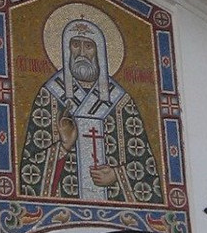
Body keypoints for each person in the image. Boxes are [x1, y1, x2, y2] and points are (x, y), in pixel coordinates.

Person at [19, 18, 161, 203]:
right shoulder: (50, 95)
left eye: (89, 46)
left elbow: (146, 164)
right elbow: (28, 170)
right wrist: (64, 147)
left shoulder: (121, 101)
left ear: (100, 51)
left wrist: (117, 175)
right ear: (66, 49)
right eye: (75, 45)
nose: (82, 53)